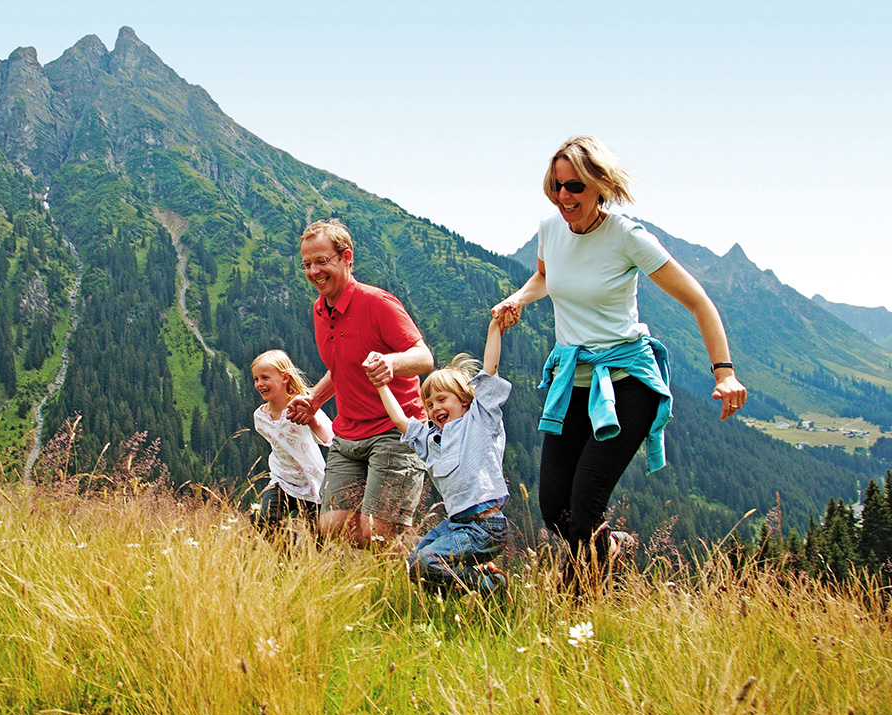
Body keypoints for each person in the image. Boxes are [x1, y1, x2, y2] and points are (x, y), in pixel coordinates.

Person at [491, 135, 748, 581]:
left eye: (574, 187)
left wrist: (724, 372)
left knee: (586, 504)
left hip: (627, 384)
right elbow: (544, 277)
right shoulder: (550, 229)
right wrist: (517, 299)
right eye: (556, 186)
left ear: (599, 185)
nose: (564, 197)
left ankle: (578, 617)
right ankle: (613, 546)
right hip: (572, 382)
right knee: (556, 509)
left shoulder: (627, 236)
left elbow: (698, 300)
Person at [286, 219, 434, 548]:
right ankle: (412, 557)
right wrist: (313, 400)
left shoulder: (378, 303)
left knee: (375, 535)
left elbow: (424, 357)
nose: (314, 271)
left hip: (396, 430)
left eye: (322, 261)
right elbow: (342, 366)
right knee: (332, 527)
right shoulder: (319, 310)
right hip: (348, 434)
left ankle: (430, 567)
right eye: (307, 264)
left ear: (346, 258)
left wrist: (391, 362)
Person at [371, 318, 513, 593]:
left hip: (486, 526)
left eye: (442, 399)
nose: (434, 408)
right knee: (415, 564)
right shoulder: (433, 440)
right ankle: (479, 579)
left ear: (463, 399)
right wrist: (380, 385)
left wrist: (495, 327)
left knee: (428, 561)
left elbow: (490, 370)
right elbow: (401, 421)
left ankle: (489, 586)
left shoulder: (480, 420)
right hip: (457, 525)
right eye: (429, 404)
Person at [250, 349, 333, 534]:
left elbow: (329, 438)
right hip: (282, 481)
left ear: (285, 377)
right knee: (263, 520)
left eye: (265, 377)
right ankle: (291, 558)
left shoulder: (303, 406)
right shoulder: (260, 417)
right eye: (256, 379)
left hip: (312, 482)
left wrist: (312, 420)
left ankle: (322, 562)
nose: (259, 384)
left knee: (322, 539)